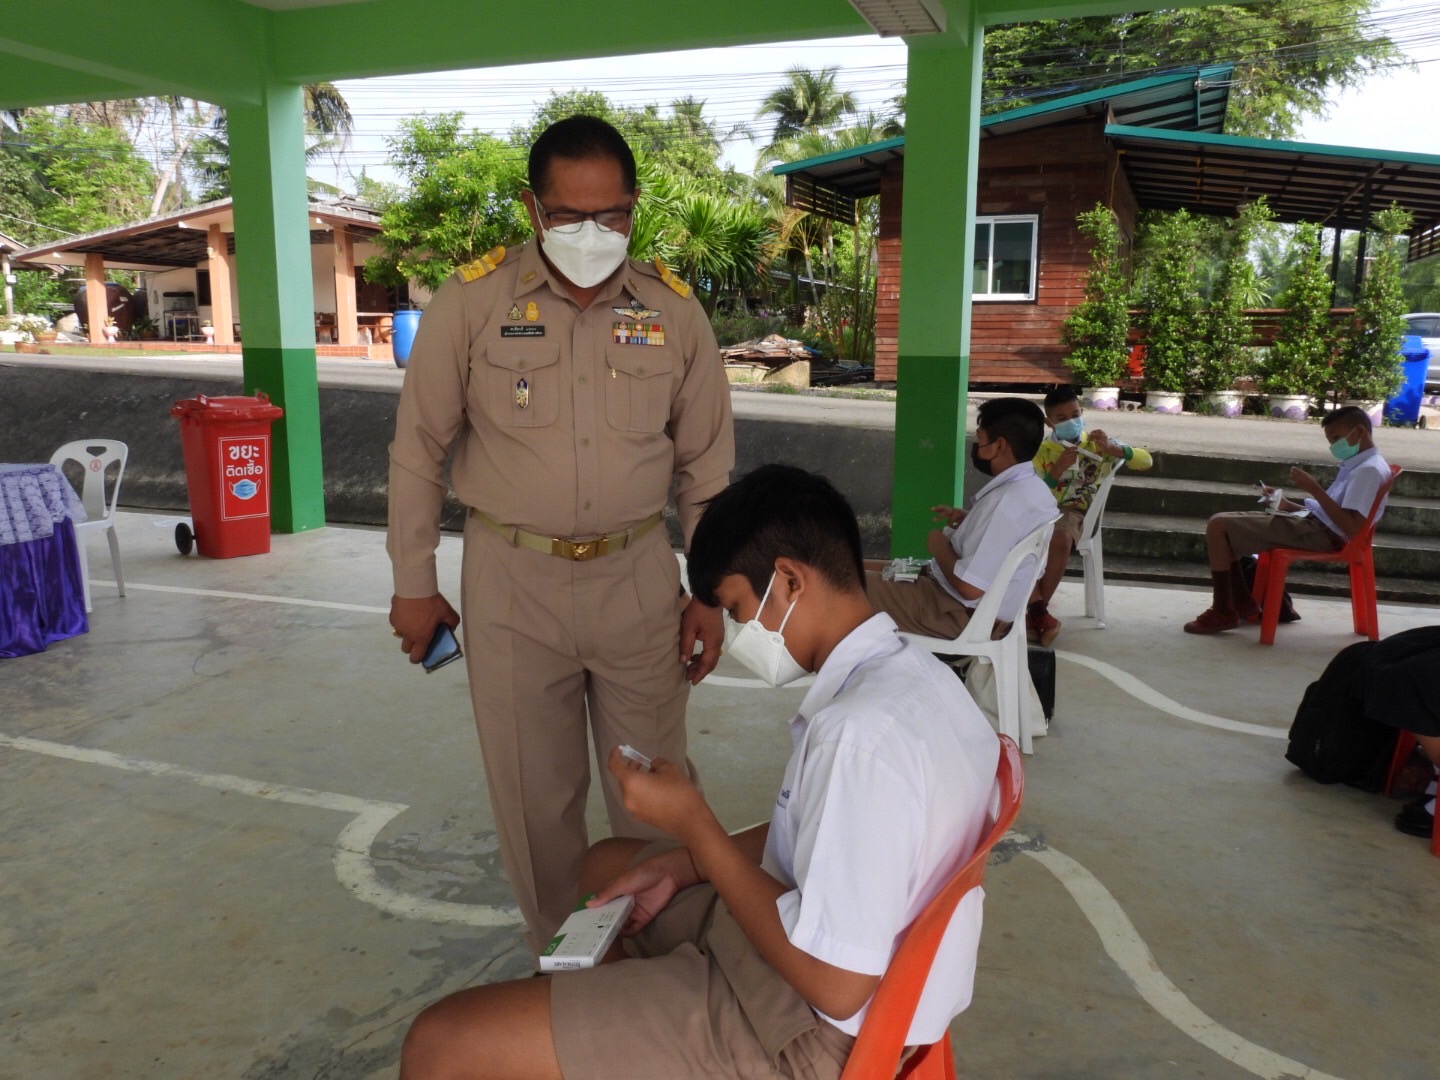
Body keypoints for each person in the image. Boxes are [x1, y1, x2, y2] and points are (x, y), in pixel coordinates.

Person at [399, 464, 1002, 1080]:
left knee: (439, 1043)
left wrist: (695, 825)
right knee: (609, 867)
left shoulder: (857, 737)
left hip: (811, 1033)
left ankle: (616, 1034)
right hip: (819, 960)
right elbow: (835, 832)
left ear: (789, 580)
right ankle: (603, 1036)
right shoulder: (917, 678)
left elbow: (838, 987)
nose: (741, 632)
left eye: (739, 609)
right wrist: (684, 862)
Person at [386, 115, 735, 950]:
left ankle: (662, 958)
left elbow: (707, 468)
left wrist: (711, 591)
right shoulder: (473, 302)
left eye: (612, 215)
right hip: (512, 583)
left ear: (634, 206)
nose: (592, 233)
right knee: (534, 797)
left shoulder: (673, 310)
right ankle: (562, 954)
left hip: (637, 578)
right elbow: (417, 450)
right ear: (532, 209)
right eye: (570, 215)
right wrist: (412, 583)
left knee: (654, 787)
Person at [1183, 405, 1390, 634]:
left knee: (1218, 526)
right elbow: (1331, 514)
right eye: (1330, 440)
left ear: (1359, 432)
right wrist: (1288, 505)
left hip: (1321, 535)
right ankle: (1240, 602)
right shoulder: (1361, 465)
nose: (1333, 446)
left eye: (1336, 438)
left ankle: (1225, 609)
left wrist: (1314, 489)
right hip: (1315, 527)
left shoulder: (1367, 471)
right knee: (1222, 526)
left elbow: (1352, 527)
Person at [865, 397, 1056, 639]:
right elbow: (1006, 539)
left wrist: (938, 545)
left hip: (955, 613)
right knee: (854, 567)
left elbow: (969, 588)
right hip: (968, 605)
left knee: (837, 587)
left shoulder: (1004, 504)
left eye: (980, 438)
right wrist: (970, 521)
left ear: (999, 445)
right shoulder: (1035, 490)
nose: (977, 445)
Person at [1026, 386, 1153, 645]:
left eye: (1075, 415)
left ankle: (1035, 613)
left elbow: (1146, 461)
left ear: (1082, 412)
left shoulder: (1098, 443)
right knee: (1010, 535)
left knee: (1060, 538)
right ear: (1049, 422)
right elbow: (1031, 493)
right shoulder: (1041, 452)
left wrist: (1117, 450)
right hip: (1041, 510)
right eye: (1062, 418)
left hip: (1078, 513)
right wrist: (1056, 470)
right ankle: (1036, 614)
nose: (1071, 422)